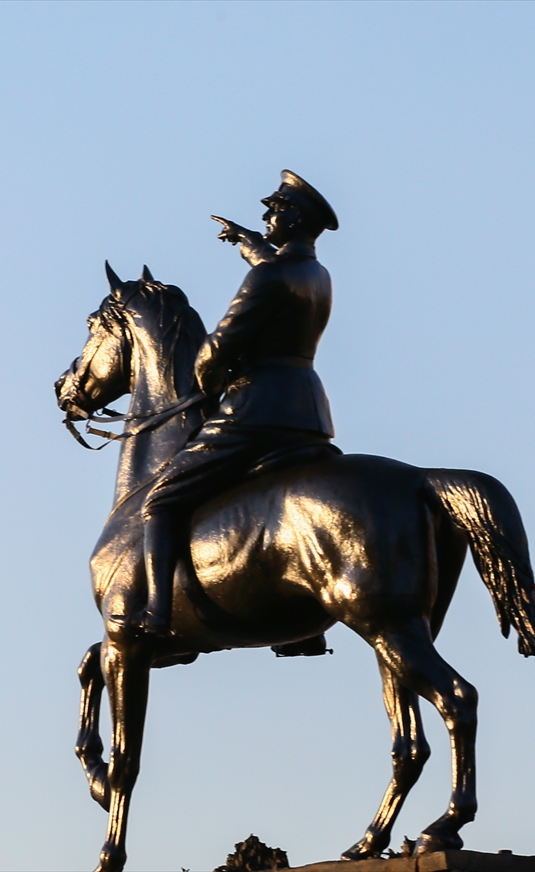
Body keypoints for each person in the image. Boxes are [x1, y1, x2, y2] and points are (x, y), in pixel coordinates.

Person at [135, 170, 340, 636]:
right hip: (308, 414)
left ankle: (157, 614)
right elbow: (276, 268)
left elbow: (219, 346)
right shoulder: (316, 273)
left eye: (275, 210)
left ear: (295, 218)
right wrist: (246, 241)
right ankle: (303, 636)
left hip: (255, 412)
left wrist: (206, 381)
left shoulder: (268, 275)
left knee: (161, 499)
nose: (267, 216)